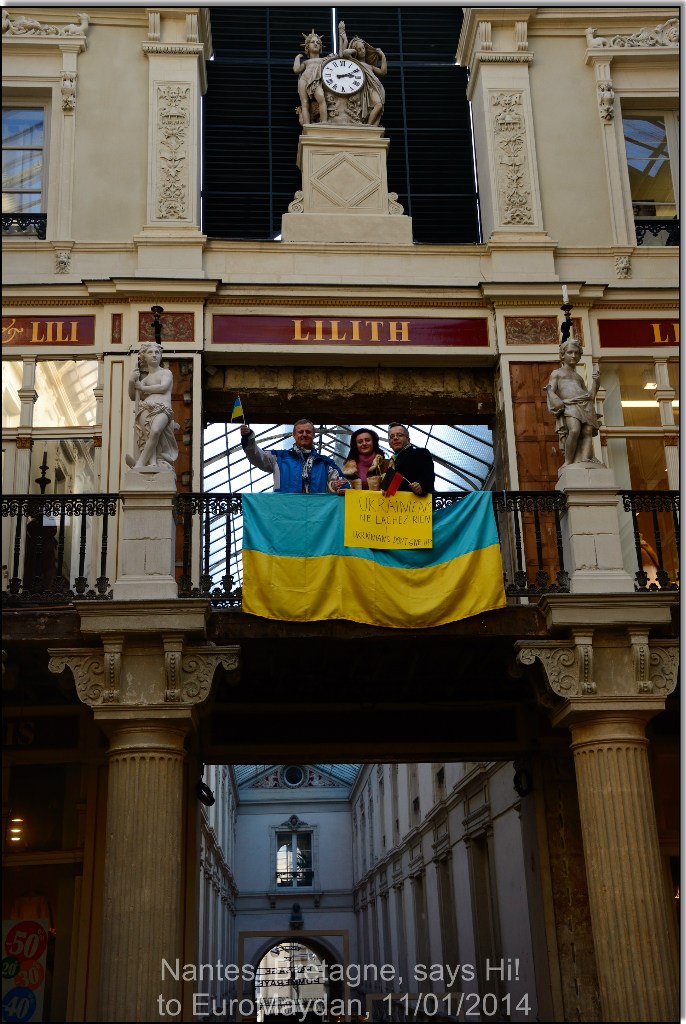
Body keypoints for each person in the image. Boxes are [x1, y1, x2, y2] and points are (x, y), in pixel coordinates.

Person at [240, 419, 348, 494]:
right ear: (294, 435)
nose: (304, 434)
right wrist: (248, 438)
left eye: (308, 432)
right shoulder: (279, 458)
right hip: (286, 513)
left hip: (316, 515)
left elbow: (342, 481)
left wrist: (338, 487)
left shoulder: (325, 463)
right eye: (300, 432)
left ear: (314, 435)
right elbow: (257, 456)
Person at [545, 339, 601, 464]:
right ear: (562, 355)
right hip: (569, 405)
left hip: (585, 404)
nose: (573, 356)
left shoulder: (579, 377)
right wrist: (551, 396)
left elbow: (591, 395)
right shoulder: (557, 373)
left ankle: (586, 459)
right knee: (574, 430)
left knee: (587, 431)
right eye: (570, 352)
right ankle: (568, 462)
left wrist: (597, 383)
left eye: (576, 353)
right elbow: (551, 390)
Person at [125, 341, 178, 472]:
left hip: (162, 408)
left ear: (160, 356)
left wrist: (142, 387)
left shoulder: (166, 373)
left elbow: (163, 387)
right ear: (144, 358)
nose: (154, 355)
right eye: (150, 352)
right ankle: (152, 464)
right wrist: (132, 381)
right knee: (149, 435)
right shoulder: (146, 378)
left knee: (154, 431)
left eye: (157, 352)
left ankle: (139, 463)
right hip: (145, 408)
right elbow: (133, 396)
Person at [339, 22, 387, 125]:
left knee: (379, 105)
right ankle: (369, 126)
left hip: (375, 86)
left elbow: (383, 71)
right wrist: (352, 45)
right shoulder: (355, 63)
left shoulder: (370, 66)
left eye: (363, 48)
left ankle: (370, 126)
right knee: (377, 105)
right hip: (365, 88)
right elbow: (344, 53)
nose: (362, 51)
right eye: (359, 49)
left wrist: (382, 56)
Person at [386, 423, 435, 495]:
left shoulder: (420, 453)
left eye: (400, 435)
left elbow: (429, 478)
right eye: (392, 436)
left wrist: (421, 486)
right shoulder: (390, 462)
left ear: (408, 440)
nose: (395, 438)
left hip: (416, 503)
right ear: (389, 443)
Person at [294, 30, 329, 125]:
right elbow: (296, 70)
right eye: (313, 42)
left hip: (315, 80)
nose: (316, 44)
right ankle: (307, 125)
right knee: (305, 104)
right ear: (307, 46)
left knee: (321, 97)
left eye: (318, 42)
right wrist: (297, 58)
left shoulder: (324, 60)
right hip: (304, 80)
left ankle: (324, 122)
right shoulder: (306, 62)